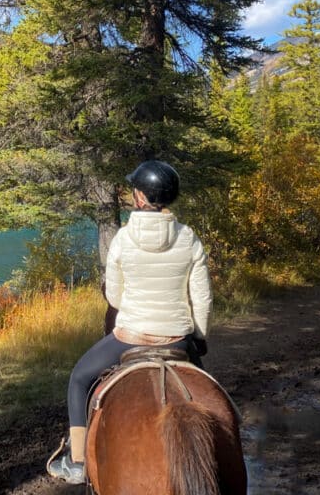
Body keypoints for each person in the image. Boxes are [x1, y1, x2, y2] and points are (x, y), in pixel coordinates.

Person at [46, 159, 212, 484]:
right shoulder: (189, 238)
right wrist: (200, 335)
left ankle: (77, 461)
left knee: (79, 379)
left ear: (139, 196)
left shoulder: (122, 239)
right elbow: (202, 298)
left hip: (130, 337)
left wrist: (135, 312)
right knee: (208, 392)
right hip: (178, 338)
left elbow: (115, 298)